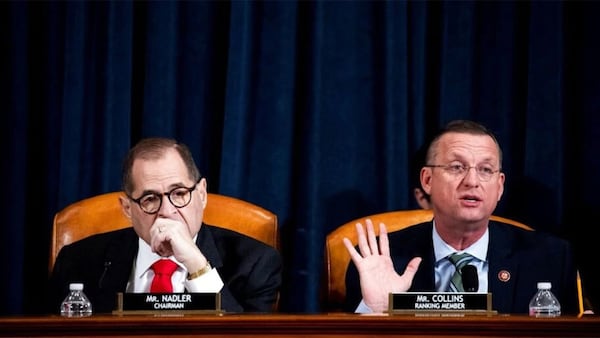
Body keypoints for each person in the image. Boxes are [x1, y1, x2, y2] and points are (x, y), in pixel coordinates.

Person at [343, 120, 579, 314]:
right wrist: (376, 310)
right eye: (457, 167)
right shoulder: (380, 262)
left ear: (499, 187)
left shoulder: (550, 259)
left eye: (486, 170)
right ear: (427, 180)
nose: (472, 181)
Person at [47, 137, 282, 313]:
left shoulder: (254, 263)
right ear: (127, 208)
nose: (167, 211)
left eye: (179, 193)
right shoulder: (78, 261)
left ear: (202, 194)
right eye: (150, 199)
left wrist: (197, 265)